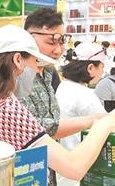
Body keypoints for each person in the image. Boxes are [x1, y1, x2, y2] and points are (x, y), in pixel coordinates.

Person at [0, 25, 115, 180]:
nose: (36, 71)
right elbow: (74, 167)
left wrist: (91, 121)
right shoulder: (6, 108)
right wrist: (104, 126)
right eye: (35, 62)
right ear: (18, 60)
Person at [17, 8, 97, 139]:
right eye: (51, 42)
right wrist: (90, 121)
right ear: (29, 38)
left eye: (61, 42)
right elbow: (27, 128)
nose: (58, 50)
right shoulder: (16, 74)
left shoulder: (50, 71)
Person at [56, 42, 107, 150]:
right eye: (102, 67)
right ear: (90, 68)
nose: (103, 71)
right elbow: (104, 123)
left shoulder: (64, 85)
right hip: (81, 151)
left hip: (64, 149)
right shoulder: (85, 95)